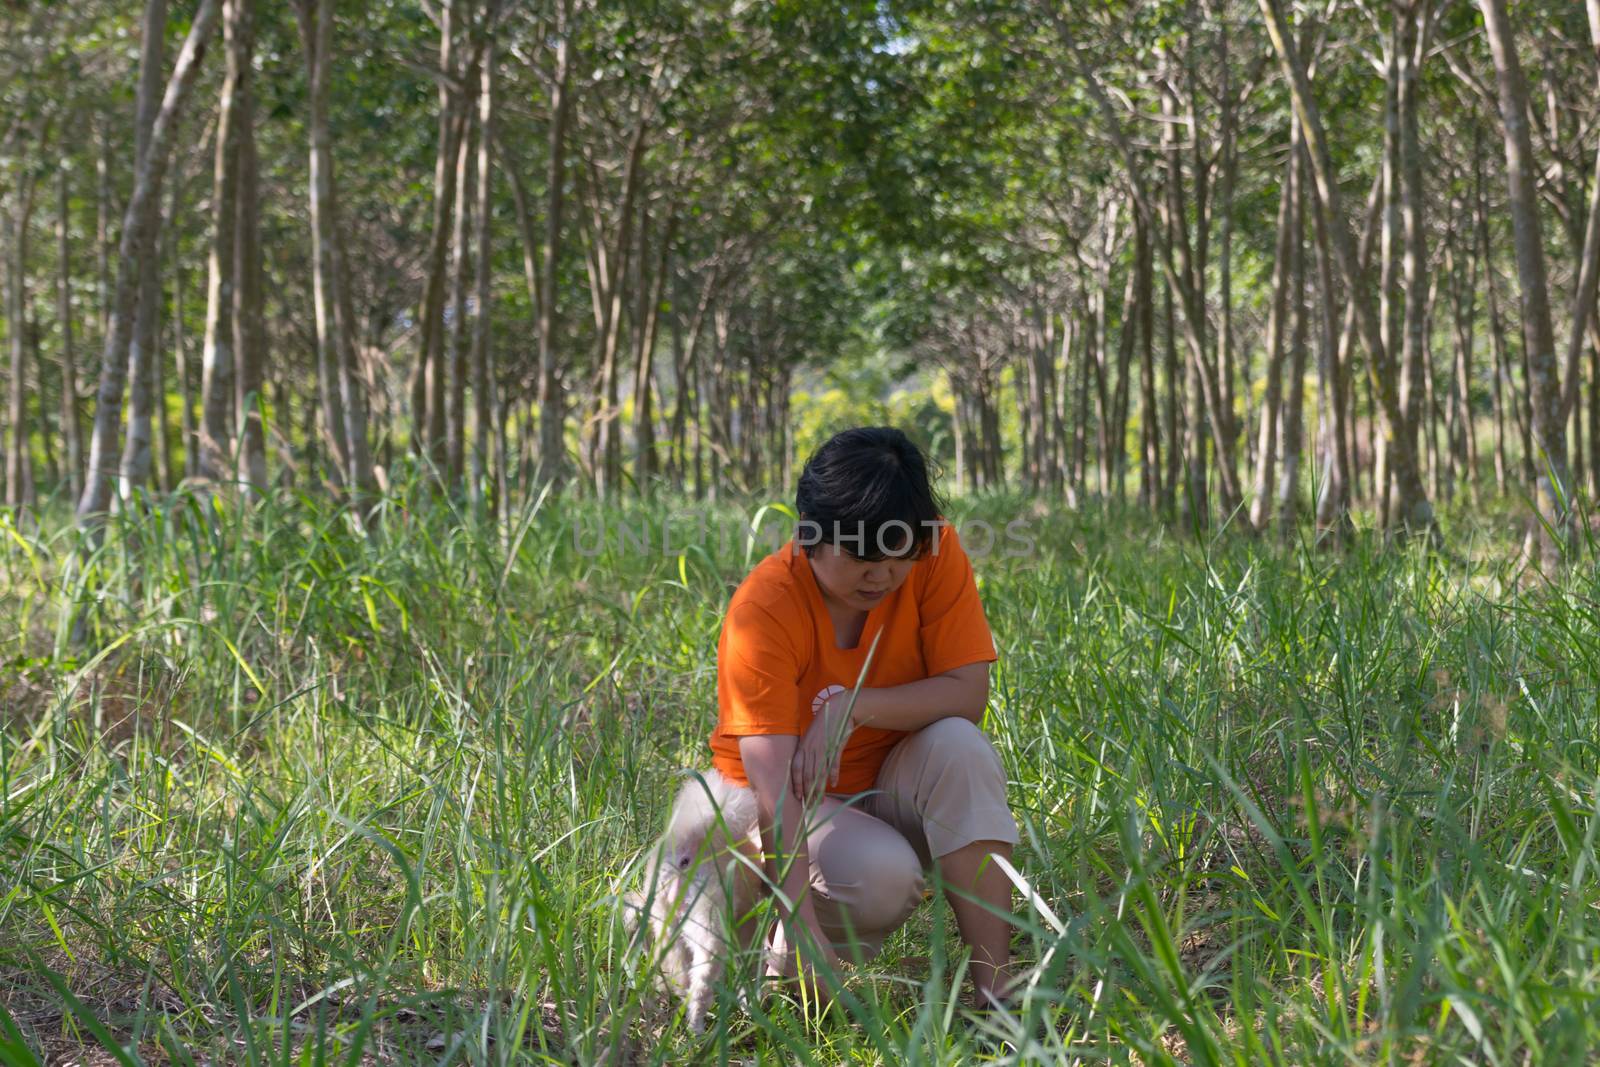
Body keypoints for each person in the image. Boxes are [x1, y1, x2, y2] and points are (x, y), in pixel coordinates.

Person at [708, 425, 1022, 1012]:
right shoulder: (764, 609)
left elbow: (967, 695)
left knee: (963, 748)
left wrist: (852, 706)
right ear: (808, 536)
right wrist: (801, 922)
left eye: (899, 558)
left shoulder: (934, 552)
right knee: (882, 877)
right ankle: (774, 944)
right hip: (785, 807)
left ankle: (995, 992)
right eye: (861, 558)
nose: (882, 577)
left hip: (886, 783)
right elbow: (775, 790)